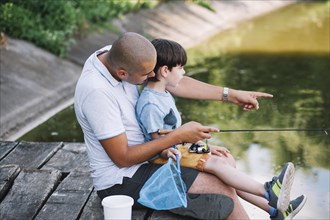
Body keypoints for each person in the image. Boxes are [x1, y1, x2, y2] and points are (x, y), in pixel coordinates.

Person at [74, 32, 276, 219]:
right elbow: (122, 158)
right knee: (219, 187)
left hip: (153, 158)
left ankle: (274, 208)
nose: (153, 75)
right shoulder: (97, 93)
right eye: (146, 75)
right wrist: (179, 136)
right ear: (122, 73)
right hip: (121, 181)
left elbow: (172, 82)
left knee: (224, 160)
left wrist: (231, 94)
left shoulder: (122, 54)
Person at [135, 38, 307, 220]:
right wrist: (177, 150)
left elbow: (173, 133)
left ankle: (275, 210)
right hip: (163, 158)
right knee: (218, 166)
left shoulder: (163, 93)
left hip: (178, 149)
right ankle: (268, 191)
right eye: (180, 68)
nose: (184, 72)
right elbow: (157, 142)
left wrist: (206, 148)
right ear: (165, 71)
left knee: (223, 160)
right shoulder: (150, 104)